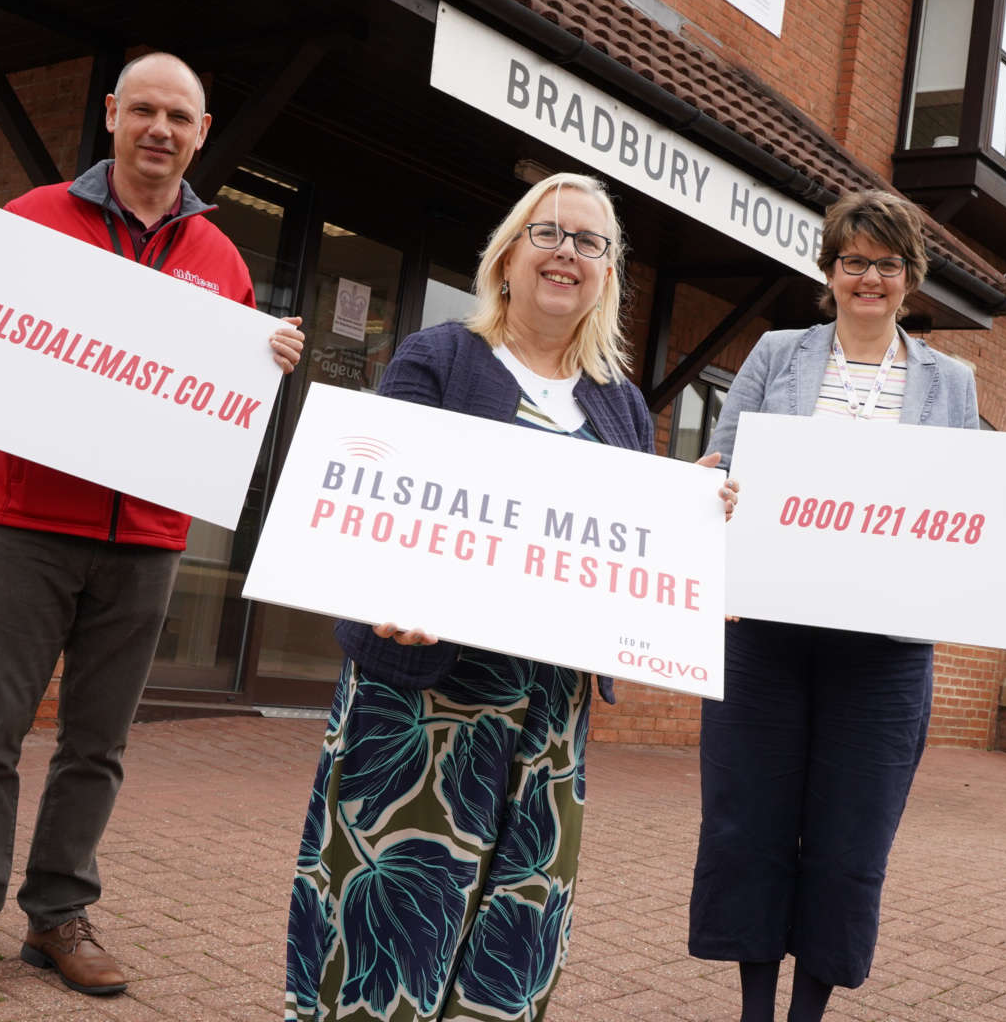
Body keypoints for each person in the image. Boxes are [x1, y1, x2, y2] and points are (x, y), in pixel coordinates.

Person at [0, 52, 306, 1016]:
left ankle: (57, 917)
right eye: (145, 111)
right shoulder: (36, 220)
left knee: (98, 743)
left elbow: (219, 387)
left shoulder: (223, 262)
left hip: (149, 537)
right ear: (113, 115)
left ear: (202, 134)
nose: (161, 130)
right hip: (28, 522)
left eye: (181, 117)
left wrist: (268, 356)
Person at [285, 172, 735, 1022]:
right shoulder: (441, 357)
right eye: (549, 233)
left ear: (608, 273)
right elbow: (376, 508)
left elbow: (623, 549)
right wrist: (385, 592)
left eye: (589, 241)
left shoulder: (622, 405)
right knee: (392, 919)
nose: (568, 252)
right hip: (425, 695)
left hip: (548, 714)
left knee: (514, 930)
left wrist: (691, 522)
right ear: (509, 256)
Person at [687, 189, 1006, 1022]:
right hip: (767, 634)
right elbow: (724, 462)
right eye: (853, 260)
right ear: (829, 271)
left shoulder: (949, 380)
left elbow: (965, 502)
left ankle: (809, 1012)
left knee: (850, 839)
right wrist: (711, 482)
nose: (869, 277)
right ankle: (754, 1009)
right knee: (747, 825)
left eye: (887, 263)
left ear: (910, 277)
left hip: (885, 651)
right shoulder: (779, 354)